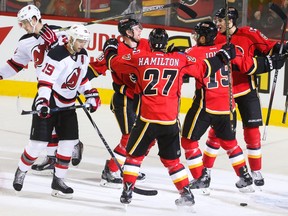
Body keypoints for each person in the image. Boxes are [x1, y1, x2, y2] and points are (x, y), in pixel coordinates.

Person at [103, 27, 237, 206]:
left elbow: (114, 63)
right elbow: (204, 69)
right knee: (173, 161)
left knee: (134, 157)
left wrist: (110, 49)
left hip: (147, 120)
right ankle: (185, 193)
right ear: (166, 44)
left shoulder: (140, 57)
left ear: (150, 43)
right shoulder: (179, 59)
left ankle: (127, 191)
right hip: (169, 121)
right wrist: (223, 57)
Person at [179, 21, 286, 192]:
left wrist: (170, 55)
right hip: (227, 106)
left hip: (205, 105)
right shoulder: (229, 49)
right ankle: (244, 175)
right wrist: (272, 62)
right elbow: (250, 65)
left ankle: (201, 177)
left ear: (203, 37)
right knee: (230, 143)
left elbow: (181, 68)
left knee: (188, 141)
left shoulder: (193, 52)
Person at [12, 23, 100, 199]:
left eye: (85, 41)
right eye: (81, 41)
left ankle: (58, 180)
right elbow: (45, 81)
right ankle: (21, 171)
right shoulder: (56, 54)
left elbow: (81, 79)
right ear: (72, 39)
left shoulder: (83, 55)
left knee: (69, 142)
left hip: (67, 105)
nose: (83, 44)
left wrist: (91, 95)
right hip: (50, 102)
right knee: (37, 145)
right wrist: (43, 102)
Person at [87, 18, 152, 188]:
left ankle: (131, 166)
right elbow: (95, 68)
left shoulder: (146, 44)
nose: (140, 31)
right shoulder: (114, 47)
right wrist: (76, 84)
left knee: (145, 137)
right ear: (128, 33)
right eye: (137, 29)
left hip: (142, 99)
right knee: (130, 137)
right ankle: (111, 170)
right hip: (123, 100)